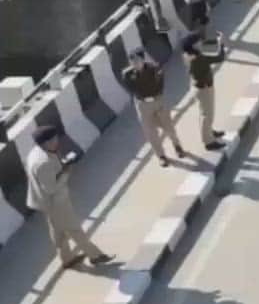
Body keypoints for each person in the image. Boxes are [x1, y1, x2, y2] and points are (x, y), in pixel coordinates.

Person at [25, 126, 113, 269]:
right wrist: (66, 171)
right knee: (74, 229)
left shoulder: (35, 153)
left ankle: (67, 258)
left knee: (58, 231)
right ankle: (95, 256)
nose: (57, 141)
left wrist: (61, 166)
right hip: (55, 202)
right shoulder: (43, 162)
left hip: (45, 202)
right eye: (53, 139)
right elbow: (51, 188)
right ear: (45, 143)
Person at [122, 50, 186, 166]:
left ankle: (177, 146)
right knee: (150, 132)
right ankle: (161, 156)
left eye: (137, 60)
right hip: (142, 104)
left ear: (143, 60)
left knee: (168, 127)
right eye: (132, 61)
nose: (134, 64)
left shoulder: (154, 68)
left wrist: (156, 96)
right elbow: (131, 89)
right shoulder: (127, 74)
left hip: (157, 101)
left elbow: (161, 83)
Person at [181, 17, 227, 152]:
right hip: (203, 88)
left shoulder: (189, 55)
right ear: (193, 45)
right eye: (198, 42)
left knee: (206, 113)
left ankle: (209, 132)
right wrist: (221, 43)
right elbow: (219, 57)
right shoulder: (199, 58)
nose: (201, 43)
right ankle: (208, 141)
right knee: (207, 114)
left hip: (201, 85)